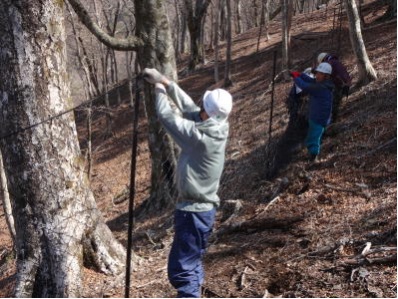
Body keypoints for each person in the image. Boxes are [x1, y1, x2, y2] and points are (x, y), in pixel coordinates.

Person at [142, 68, 233, 298]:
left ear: (207, 111)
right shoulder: (218, 125)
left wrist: (159, 89)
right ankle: (197, 291)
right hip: (203, 212)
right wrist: (166, 81)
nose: (199, 107)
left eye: (203, 105)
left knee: (181, 271)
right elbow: (191, 110)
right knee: (191, 264)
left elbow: (167, 117)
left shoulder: (199, 137)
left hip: (193, 213)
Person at [291, 62, 334, 162]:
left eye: (320, 74)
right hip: (316, 116)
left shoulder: (321, 87)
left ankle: (313, 157)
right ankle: (311, 153)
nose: (317, 75)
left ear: (326, 76)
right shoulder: (323, 83)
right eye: (317, 73)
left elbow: (305, 86)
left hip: (319, 118)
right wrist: (299, 74)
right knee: (312, 135)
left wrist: (295, 77)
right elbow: (310, 80)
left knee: (314, 138)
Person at [317, 52, 352, 122]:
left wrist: (346, 83)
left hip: (338, 86)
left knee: (333, 104)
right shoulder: (335, 62)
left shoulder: (330, 63)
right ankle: (334, 119)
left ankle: (333, 121)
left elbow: (340, 73)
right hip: (340, 85)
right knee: (335, 103)